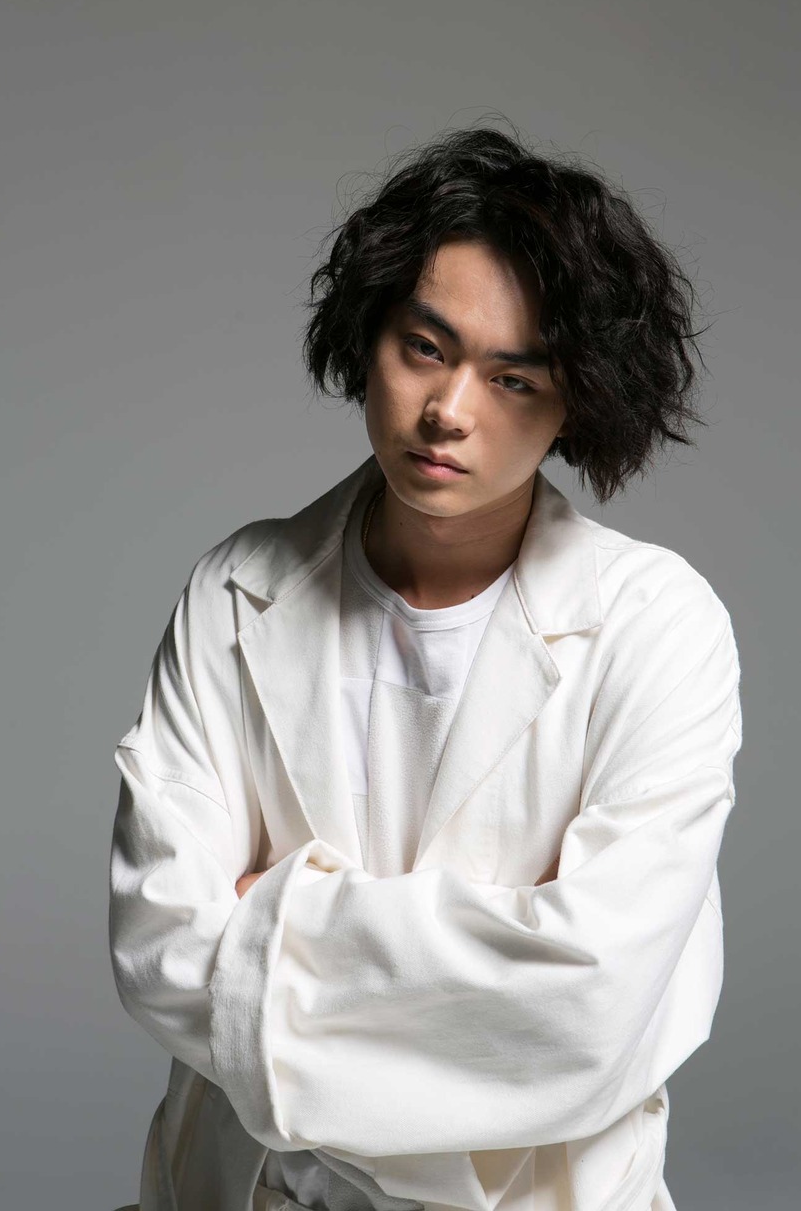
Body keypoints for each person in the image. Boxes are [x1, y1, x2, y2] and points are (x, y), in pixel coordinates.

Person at [109, 123, 743, 1211]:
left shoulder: (657, 626)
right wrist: (482, 977)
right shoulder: (233, 590)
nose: (450, 410)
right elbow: (159, 949)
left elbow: (589, 1006)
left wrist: (269, 924)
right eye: (425, 348)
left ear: (578, 401)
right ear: (370, 335)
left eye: (515, 377)